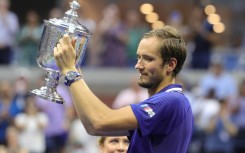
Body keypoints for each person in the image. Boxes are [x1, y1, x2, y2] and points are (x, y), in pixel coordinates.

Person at [53, 25, 193, 153]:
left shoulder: (171, 100)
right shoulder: (171, 102)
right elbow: (92, 126)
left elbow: (99, 121)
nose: (138, 65)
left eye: (148, 59)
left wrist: (71, 72)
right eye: (138, 57)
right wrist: (74, 69)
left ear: (171, 65)